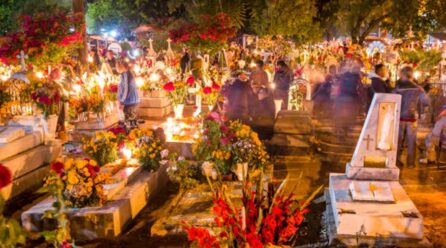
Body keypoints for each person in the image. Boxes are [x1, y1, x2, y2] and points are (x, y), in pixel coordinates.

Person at [393, 66, 429, 168]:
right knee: (411, 141)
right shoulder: (418, 88)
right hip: (412, 117)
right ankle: (411, 163)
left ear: (403, 74)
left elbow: (391, 97)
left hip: (399, 116)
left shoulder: (398, 88)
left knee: (397, 141)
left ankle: (396, 161)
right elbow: (426, 102)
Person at [116, 60, 139, 128]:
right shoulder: (126, 74)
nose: (116, 68)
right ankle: (133, 134)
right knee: (131, 120)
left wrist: (122, 101)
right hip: (130, 100)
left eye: (117, 66)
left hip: (129, 101)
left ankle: (132, 135)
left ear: (121, 66)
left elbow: (126, 89)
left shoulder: (126, 75)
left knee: (130, 121)